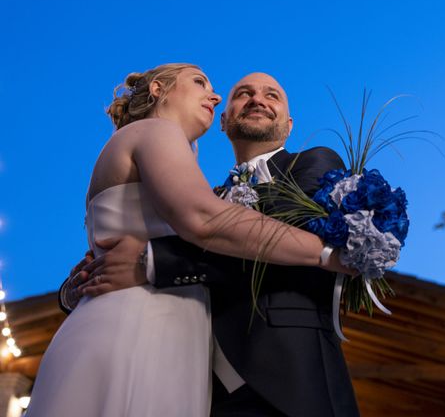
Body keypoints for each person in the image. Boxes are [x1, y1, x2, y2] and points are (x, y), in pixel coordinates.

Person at [27, 65, 349, 417]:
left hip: (290, 382)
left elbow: (265, 234)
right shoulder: (176, 156)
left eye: (272, 95)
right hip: (190, 370)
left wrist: (153, 260)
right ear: (224, 122)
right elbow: (206, 221)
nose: (257, 99)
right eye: (242, 93)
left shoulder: (316, 162)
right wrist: (79, 283)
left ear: (289, 125)